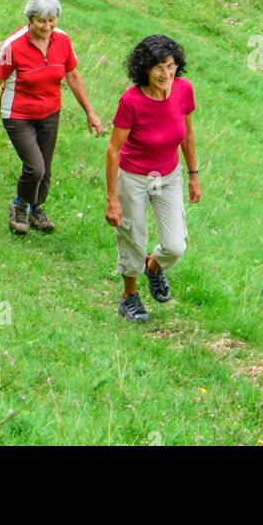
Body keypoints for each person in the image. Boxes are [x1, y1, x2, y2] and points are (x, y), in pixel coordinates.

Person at [0, 0, 102, 235]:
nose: (46, 27)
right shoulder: (12, 46)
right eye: (40, 21)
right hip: (18, 114)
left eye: (51, 20)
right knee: (35, 167)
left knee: (46, 169)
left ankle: (37, 208)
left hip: (50, 112)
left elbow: (73, 76)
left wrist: (90, 112)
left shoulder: (63, 40)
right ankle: (19, 205)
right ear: (30, 18)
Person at [105, 34, 200, 323]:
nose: (166, 74)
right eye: (159, 68)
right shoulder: (131, 101)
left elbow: (188, 135)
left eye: (171, 66)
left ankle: (154, 267)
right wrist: (112, 199)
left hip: (168, 176)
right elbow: (113, 151)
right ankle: (129, 298)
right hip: (133, 177)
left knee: (175, 245)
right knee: (134, 239)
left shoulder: (184, 90)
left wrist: (194, 175)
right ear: (145, 69)